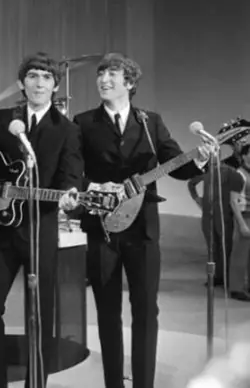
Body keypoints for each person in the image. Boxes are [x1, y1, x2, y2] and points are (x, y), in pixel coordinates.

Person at [73, 52, 213, 388]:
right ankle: (113, 383)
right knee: (107, 311)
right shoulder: (83, 122)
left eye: (112, 74)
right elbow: (71, 172)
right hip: (102, 227)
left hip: (143, 229)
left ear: (130, 82)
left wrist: (200, 161)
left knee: (146, 310)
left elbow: (175, 165)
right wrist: (94, 187)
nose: (104, 79)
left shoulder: (151, 122)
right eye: (101, 73)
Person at [0, 52, 83, 388]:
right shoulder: (6, 118)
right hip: (4, 228)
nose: (39, 83)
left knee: (40, 315)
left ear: (55, 86)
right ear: (22, 83)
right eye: (32, 76)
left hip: (41, 229)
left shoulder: (68, 130)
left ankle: (36, 383)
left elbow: (71, 174)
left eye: (46, 77)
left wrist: (70, 195)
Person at [187, 143, 241, 287]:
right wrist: (197, 199)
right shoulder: (205, 172)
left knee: (225, 246)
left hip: (223, 214)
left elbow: (238, 190)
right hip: (207, 214)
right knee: (212, 246)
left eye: (214, 154)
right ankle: (216, 276)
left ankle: (227, 277)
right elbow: (191, 184)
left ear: (219, 155)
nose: (212, 157)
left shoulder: (229, 171)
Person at [228, 144, 250, 301]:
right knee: (240, 254)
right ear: (244, 156)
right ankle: (236, 288)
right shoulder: (239, 175)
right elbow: (233, 201)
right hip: (244, 215)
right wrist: (242, 224)